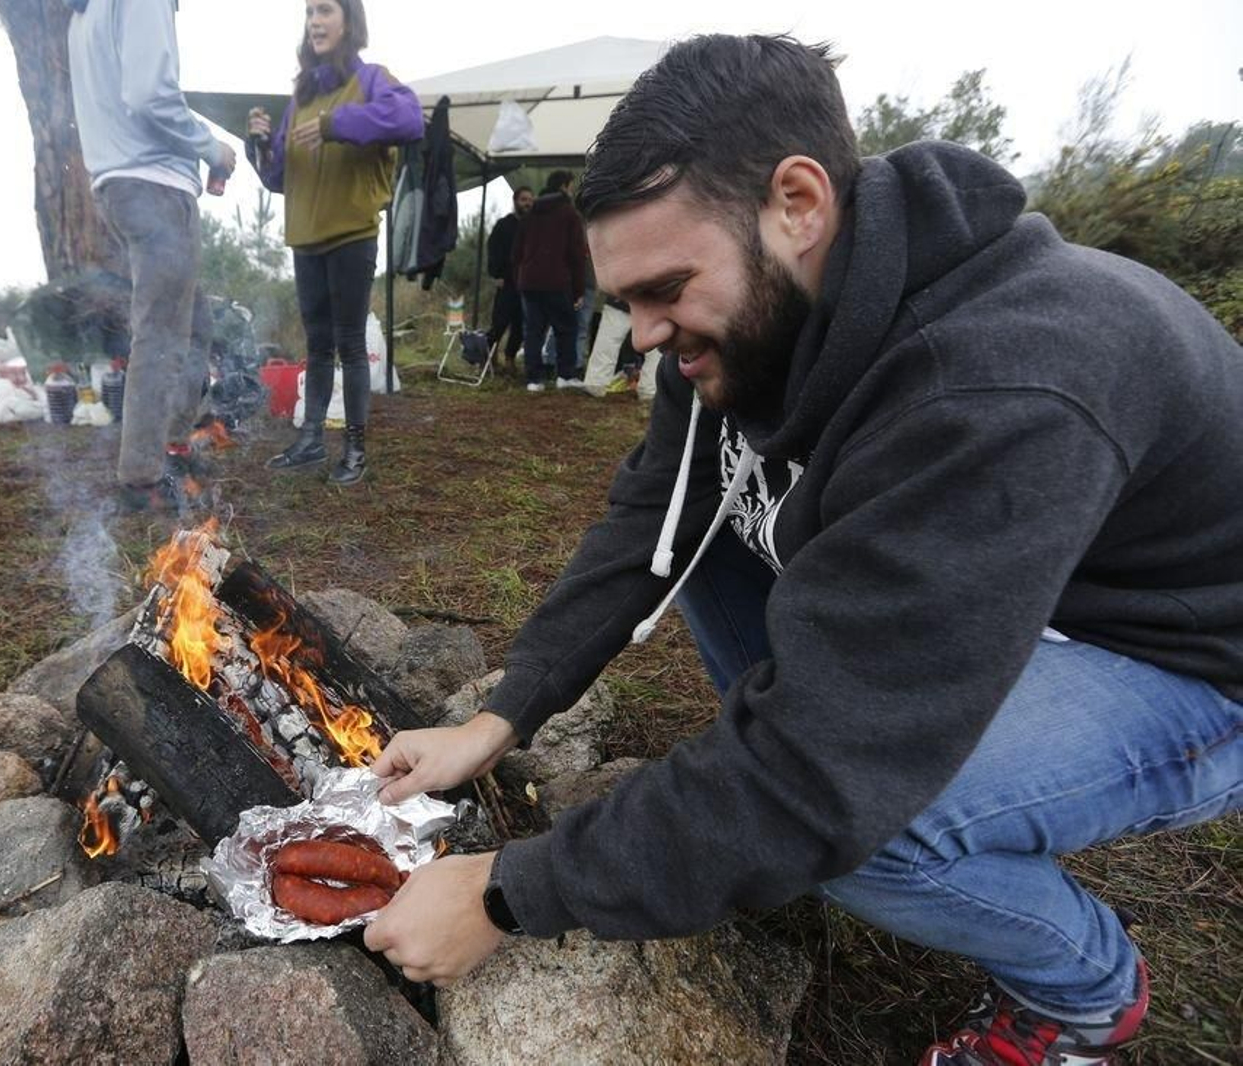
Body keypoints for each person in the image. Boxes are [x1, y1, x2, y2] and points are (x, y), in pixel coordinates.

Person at [362, 34, 1243, 1066]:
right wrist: (500, 714)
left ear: (797, 202)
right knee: (711, 548)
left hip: (1188, 660)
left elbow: (833, 775)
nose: (644, 335)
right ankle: (770, 773)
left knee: (867, 819)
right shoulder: (753, 316)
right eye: (626, 303)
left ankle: (1086, 988)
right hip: (1016, 586)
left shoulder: (1003, 382)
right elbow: (655, 515)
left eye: (665, 289)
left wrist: (508, 892)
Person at [63, 0, 236, 512]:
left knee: (195, 326)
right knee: (161, 332)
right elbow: (149, 95)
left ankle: (172, 448)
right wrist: (210, 147)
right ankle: (142, 479)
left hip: (123, 183)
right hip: (154, 186)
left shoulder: (84, 11)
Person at [246, 0, 422, 486]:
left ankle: (355, 450)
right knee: (317, 345)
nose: (315, 21)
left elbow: (410, 120)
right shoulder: (299, 95)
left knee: (348, 344)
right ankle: (310, 440)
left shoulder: (370, 80)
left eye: (324, 10)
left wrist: (336, 124)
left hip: (351, 233)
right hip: (305, 236)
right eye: (309, 13)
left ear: (348, 21)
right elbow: (280, 176)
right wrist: (258, 145)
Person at [512, 170, 589, 392]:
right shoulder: (569, 214)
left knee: (533, 331)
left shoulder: (530, 214)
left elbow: (516, 253)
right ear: (564, 187)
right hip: (557, 281)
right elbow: (576, 255)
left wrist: (521, 279)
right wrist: (578, 290)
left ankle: (533, 380)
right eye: (571, 186)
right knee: (566, 328)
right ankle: (565, 375)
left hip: (529, 282)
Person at [486, 186, 535, 371]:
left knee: (521, 324)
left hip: (527, 283)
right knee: (499, 323)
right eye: (524, 199)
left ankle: (510, 359)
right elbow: (493, 250)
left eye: (530, 200)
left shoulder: (534, 226)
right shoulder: (503, 225)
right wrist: (496, 274)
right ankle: (489, 359)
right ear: (515, 201)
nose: (527, 203)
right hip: (506, 282)